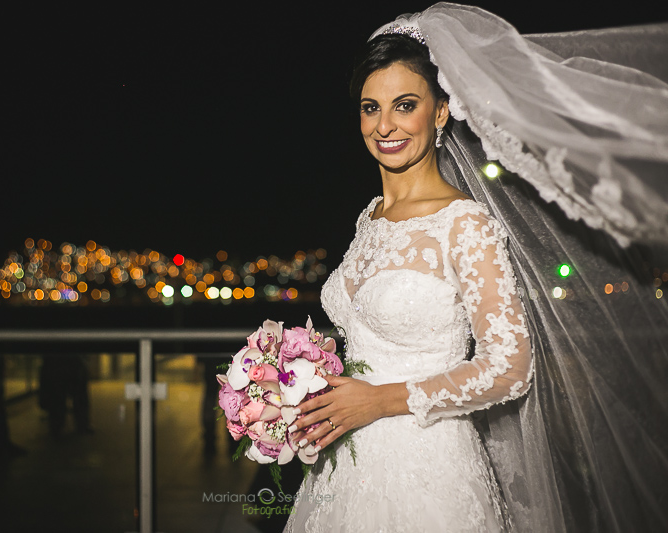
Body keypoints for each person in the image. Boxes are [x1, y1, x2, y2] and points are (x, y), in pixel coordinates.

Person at [285, 4, 668, 532]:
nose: (385, 125)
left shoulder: (464, 225)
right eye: (370, 107)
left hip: (426, 467)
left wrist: (379, 401)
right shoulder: (369, 218)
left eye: (405, 105)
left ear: (440, 112)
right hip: (343, 465)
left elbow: (509, 367)